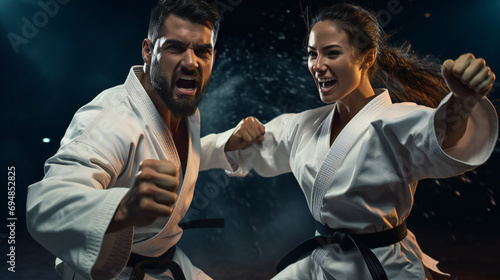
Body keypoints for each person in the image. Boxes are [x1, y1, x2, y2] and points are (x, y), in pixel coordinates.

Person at [200, 3, 498, 280]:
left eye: (331, 53)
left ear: (366, 57)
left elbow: (440, 134)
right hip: (323, 259)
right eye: (311, 53)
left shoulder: (397, 121)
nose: (317, 65)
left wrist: (462, 101)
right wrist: (218, 143)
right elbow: (237, 148)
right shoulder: (304, 125)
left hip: (383, 265)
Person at [26, 0, 220, 279]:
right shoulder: (111, 120)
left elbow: (181, 156)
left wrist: (228, 144)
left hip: (167, 263)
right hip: (114, 270)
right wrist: (123, 207)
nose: (191, 61)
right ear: (147, 51)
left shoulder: (184, 107)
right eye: (175, 47)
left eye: (203, 51)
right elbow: (44, 205)